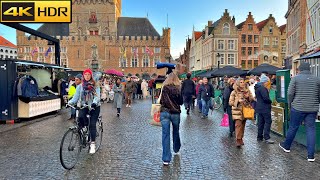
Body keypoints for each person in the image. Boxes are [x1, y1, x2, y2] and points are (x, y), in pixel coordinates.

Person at [279, 62, 320, 162]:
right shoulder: (317, 79)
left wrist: (290, 104)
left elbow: (289, 93)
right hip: (312, 108)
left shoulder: (296, 78)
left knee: (293, 127)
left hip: (298, 107)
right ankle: (311, 156)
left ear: (300, 69)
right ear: (309, 69)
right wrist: (316, 103)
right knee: (311, 130)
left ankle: (287, 146)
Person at [68, 69, 101, 154]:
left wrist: (94, 103)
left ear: (91, 76)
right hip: (84, 106)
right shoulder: (80, 86)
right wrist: (69, 103)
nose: (87, 76)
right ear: (83, 76)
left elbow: (97, 96)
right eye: (85, 74)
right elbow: (75, 97)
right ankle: (84, 136)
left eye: (88, 74)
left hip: (94, 107)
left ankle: (92, 144)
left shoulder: (95, 86)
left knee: (92, 124)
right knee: (80, 121)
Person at [159, 72, 183, 166]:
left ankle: (166, 159)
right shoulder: (178, 89)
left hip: (165, 112)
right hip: (175, 113)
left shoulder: (164, 88)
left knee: (165, 135)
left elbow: (162, 101)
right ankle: (176, 148)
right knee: (176, 131)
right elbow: (181, 102)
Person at [229, 78, 254, 147]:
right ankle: (238, 139)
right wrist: (238, 101)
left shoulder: (247, 90)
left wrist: (248, 97)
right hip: (237, 111)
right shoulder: (234, 92)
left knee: (242, 126)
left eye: (243, 82)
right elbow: (230, 102)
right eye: (241, 82)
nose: (242, 83)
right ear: (237, 83)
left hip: (245, 111)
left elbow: (252, 99)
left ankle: (241, 138)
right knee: (238, 125)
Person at [255, 74, 274, 144]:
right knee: (268, 121)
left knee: (260, 122)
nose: (267, 83)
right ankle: (267, 137)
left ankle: (259, 136)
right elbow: (265, 98)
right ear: (264, 82)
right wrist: (270, 101)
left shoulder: (257, 88)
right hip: (265, 108)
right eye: (267, 82)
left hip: (259, 107)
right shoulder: (263, 88)